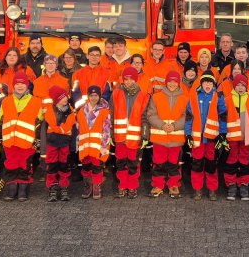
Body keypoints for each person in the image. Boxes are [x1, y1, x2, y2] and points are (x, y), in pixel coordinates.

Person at [146, 70, 189, 198]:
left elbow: (186, 116)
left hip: (176, 137)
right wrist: (162, 125)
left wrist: (175, 126)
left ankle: (173, 185)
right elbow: (150, 114)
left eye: (175, 81)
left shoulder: (185, 98)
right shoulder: (156, 97)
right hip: (159, 137)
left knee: (174, 163)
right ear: (166, 82)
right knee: (158, 163)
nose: (172, 84)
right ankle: (158, 185)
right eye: (170, 81)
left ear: (179, 83)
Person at [0, 72, 41, 202]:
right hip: (9, 140)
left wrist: (37, 140)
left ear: (27, 85)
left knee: (25, 165)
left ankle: (23, 188)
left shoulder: (36, 101)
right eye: (17, 84)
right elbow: (0, 119)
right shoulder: (6, 101)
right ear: (13, 86)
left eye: (22, 84)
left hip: (27, 141)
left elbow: (40, 122)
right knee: (11, 164)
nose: (20, 86)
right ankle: (12, 188)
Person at [111, 67, 151, 199]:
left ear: (136, 79)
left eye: (131, 79)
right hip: (120, 136)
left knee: (133, 164)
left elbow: (146, 118)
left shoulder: (144, 95)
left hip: (135, 137)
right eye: (126, 79)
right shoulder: (116, 93)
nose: (128, 82)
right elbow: (110, 115)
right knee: (121, 163)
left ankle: (132, 187)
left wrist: (145, 135)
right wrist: (111, 132)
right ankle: (122, 186)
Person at [186, 70, 226, 200]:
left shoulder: (218, 96)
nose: (207, 84)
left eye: (210, 82)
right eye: (205, 82)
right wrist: (188, 134)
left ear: (213, 83)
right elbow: (188, 117)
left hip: (211, 138)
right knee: (197, 164)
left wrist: (222, 134)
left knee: (211, 165)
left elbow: (223, 116)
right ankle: (197, 189)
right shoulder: (194, 97)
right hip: (197, 138)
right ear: (201, 83)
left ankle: (212, 190)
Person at [222, 74, 249, 201]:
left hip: (247, 138)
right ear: (234, 86)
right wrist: (222, 136)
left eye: (243, 85)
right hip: (231, 138)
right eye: (238, 85)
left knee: (245, 162)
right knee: (231, 162)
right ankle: (231, 185)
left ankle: (244, 185)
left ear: (246, 87)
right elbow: (222, 118)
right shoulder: (227, 99)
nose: (240, 88)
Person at [41, 85, 76, 202]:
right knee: (52, 166)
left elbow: (70, 124)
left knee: (64, 165)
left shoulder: (70, 110)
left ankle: (64, 186)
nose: (65, 99)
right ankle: (53, 187)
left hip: (65, 143)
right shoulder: (49, 109)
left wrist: (60, 128)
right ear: (56, 99)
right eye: (62, 97)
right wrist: (62, 129)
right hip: (53, 143)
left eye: (65, 96)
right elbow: (53, 123)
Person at [76, 85, 113, 200]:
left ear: (99, 96)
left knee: (97, 167)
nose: (93, 98)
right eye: (91, 95)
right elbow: (78, 129)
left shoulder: (104, 111)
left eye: (96, 95)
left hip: (98, 147)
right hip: (85, 146)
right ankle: (88, 186)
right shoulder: (81, 111)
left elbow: (107, 130)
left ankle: (96, 186)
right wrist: (77, 145)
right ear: (88, 96)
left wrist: (104, 146)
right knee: (86, 168)